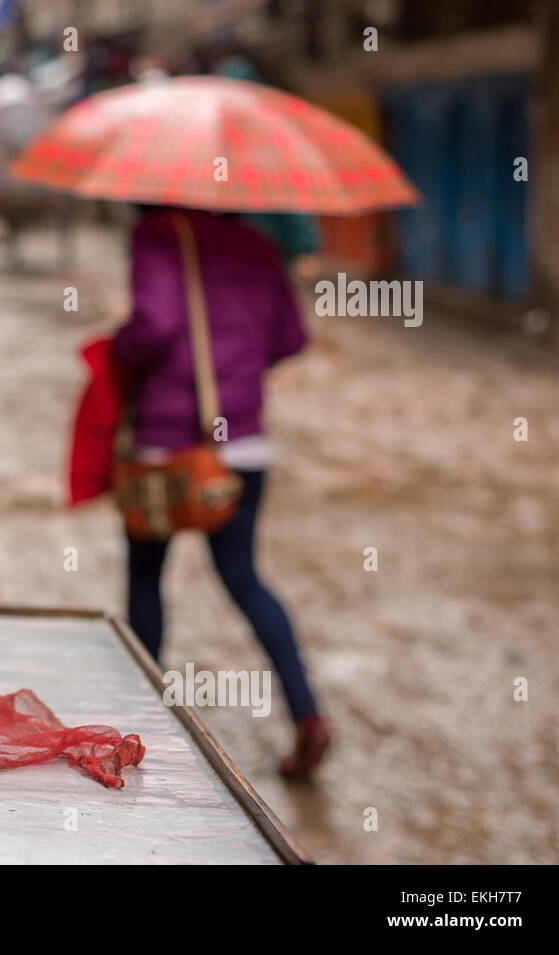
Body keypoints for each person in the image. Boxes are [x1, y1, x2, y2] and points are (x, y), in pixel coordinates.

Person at [112, 205, 330, 778]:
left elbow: (153, 327)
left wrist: (119, 345)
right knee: (244, 578)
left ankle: (139, 724)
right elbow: (292, 337)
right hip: (242, 449)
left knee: (144, 575)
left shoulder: (157, 234)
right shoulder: (260, 245)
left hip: (166, 448)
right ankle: (308, 717)